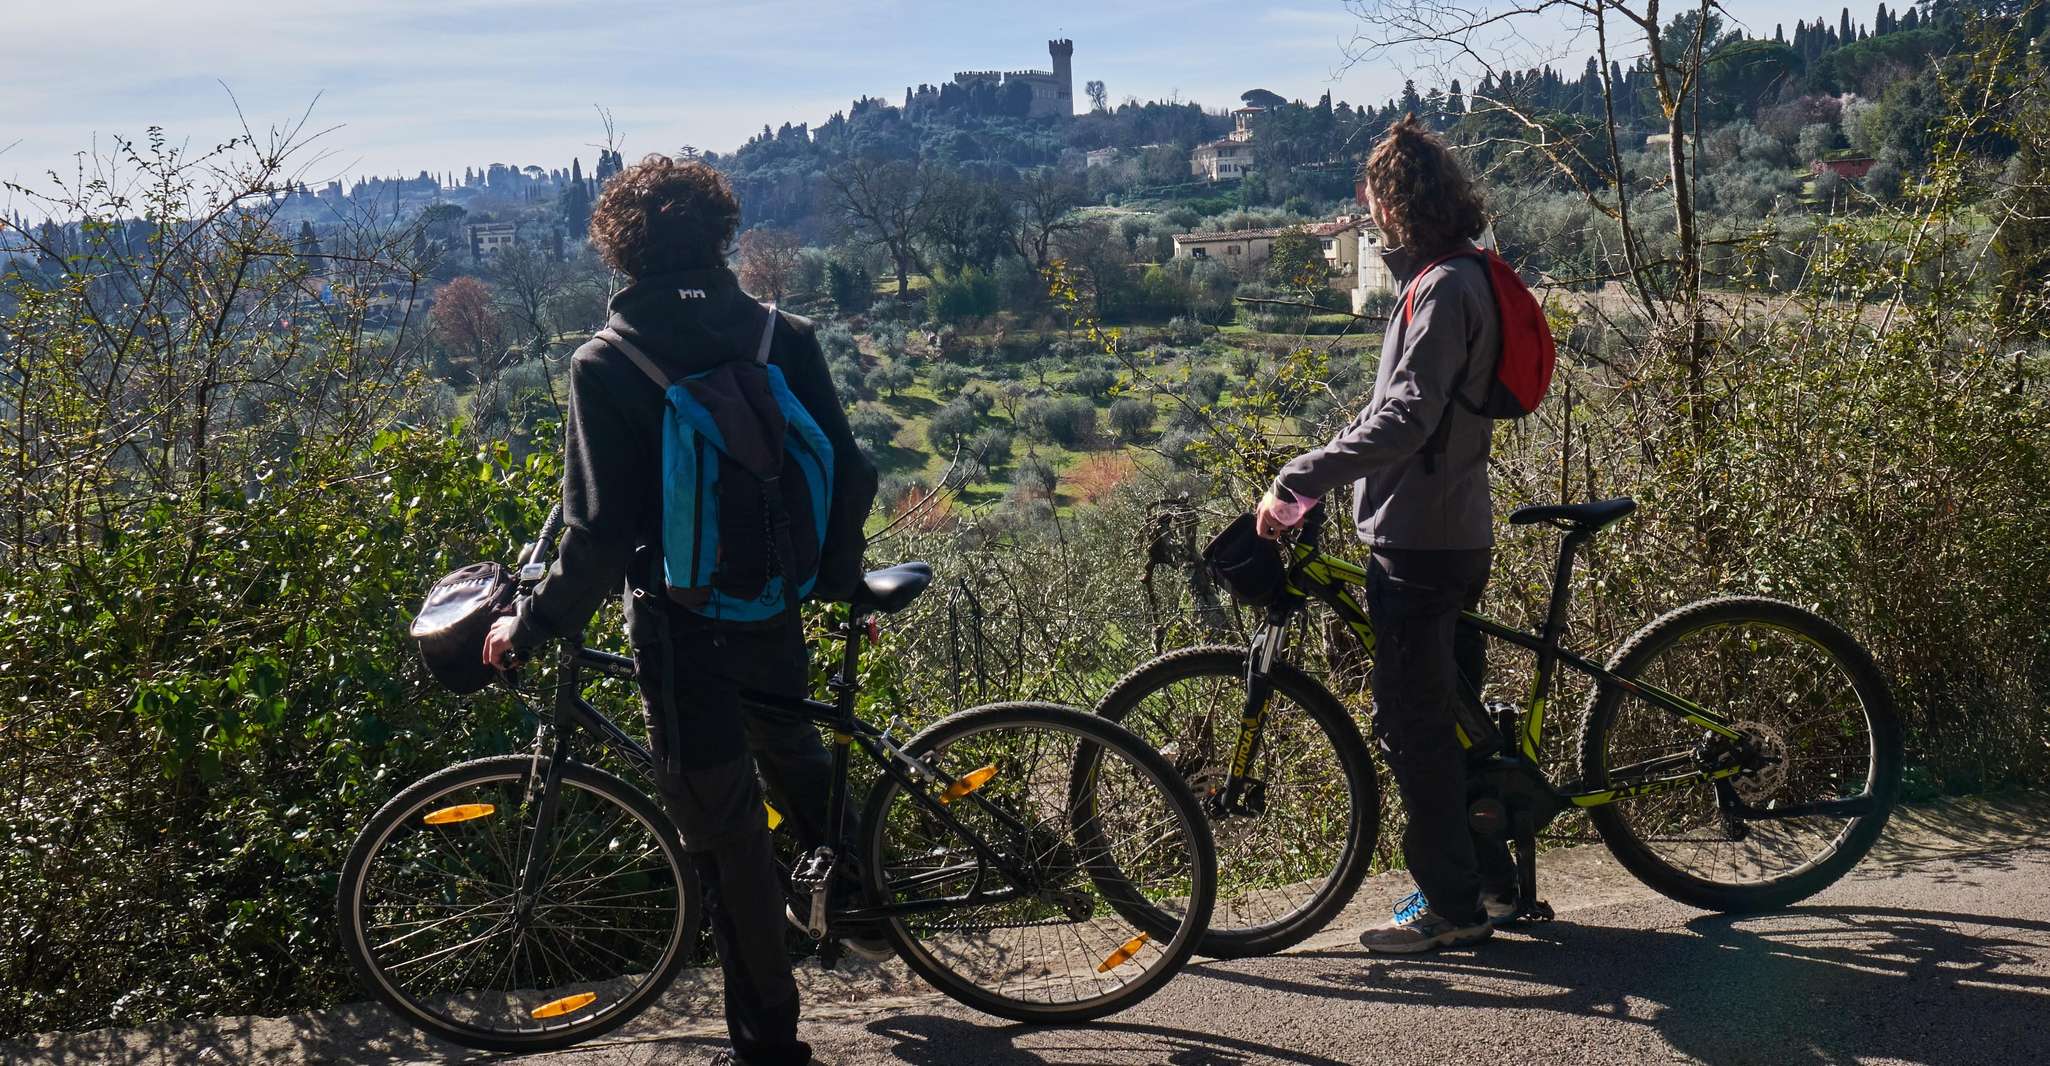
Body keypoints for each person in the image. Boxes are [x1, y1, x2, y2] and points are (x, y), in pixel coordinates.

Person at [481, 155, 877, 1065]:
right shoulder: (783, 334)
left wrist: (531, 624)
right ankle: (855, 893)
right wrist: (836, 580)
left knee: (727, 833)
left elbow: (599, 535)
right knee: (792, 749)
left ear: (620, 249)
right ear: (722, 234)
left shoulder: (607, 362)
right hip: (772, 602)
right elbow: (851, 472)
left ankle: (770, 1045)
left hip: (679, 625)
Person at [1254, 114, 1517, 954]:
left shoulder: (1442, 288)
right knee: (1461, 717)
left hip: (1422, 542)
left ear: (1393, 200)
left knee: (1415, 728)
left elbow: (1407, 418)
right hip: (1444, 528)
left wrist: (1301, 477)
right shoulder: (1452, 276)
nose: (1365, 210)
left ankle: (1452, 907)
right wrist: (1335, 470)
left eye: (1371, 196)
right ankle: (1493, 883)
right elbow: (1391, 412)